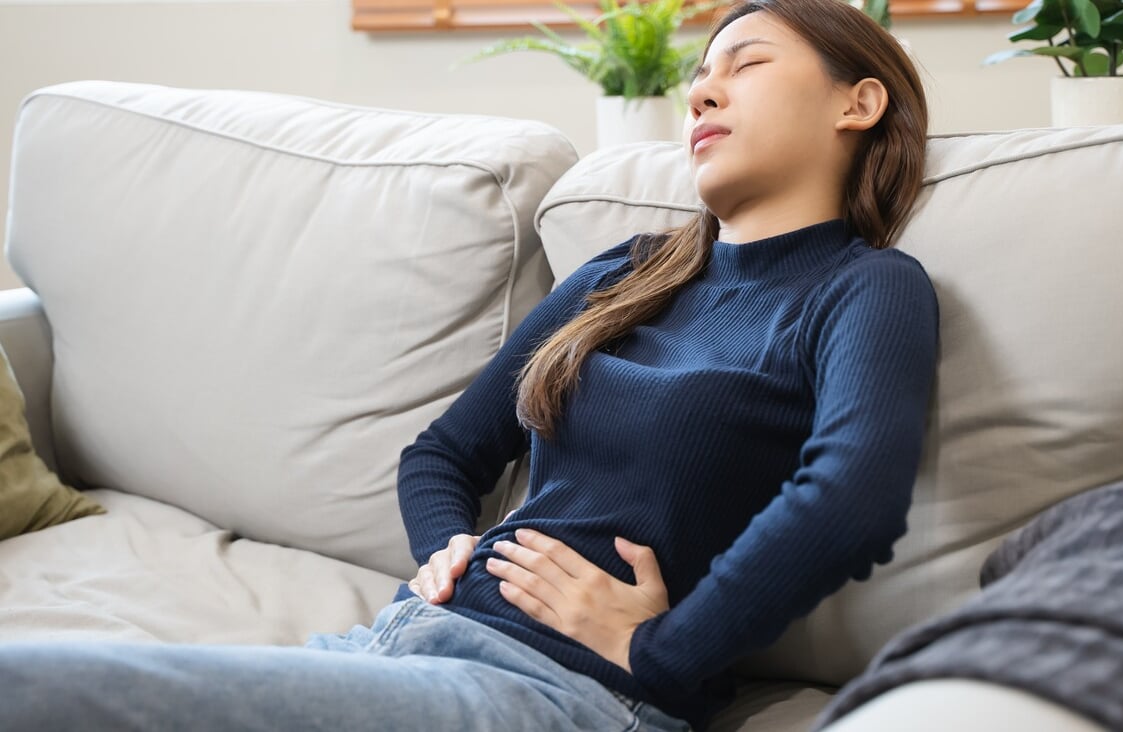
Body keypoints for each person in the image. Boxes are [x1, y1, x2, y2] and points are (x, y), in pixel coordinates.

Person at [0, 1, 939, 730]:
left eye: (747, 65)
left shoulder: (868, 288)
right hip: (397, 640)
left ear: (859, 102)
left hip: (564, 693)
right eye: (699, 75)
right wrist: (444, 546)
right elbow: (444, 453)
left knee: (33, 691)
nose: (702, 92)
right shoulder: (629, 273)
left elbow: (852, 493)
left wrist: (662, 650)